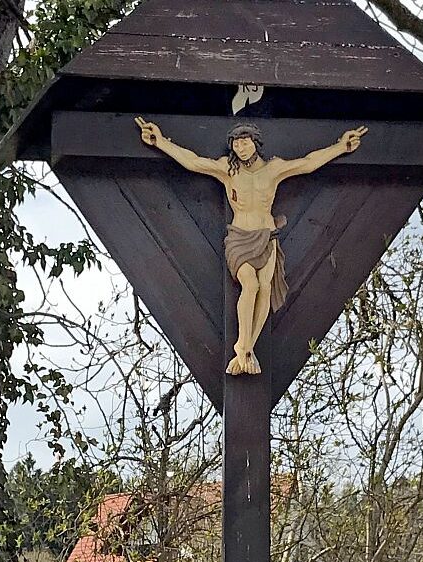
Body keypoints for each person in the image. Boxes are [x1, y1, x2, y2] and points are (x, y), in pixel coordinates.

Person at [135, 117, 368, 375]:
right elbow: (193, 162)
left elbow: (308, 163)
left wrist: (341, 147)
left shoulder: (274, 169)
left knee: (265, 290)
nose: (240, 148)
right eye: (235, 144)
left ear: (255, 143)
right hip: (240, 237)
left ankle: (247, 350)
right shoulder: (228, 170)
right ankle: (241, 346)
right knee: (250, 283)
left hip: (267, 235)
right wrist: (161, 142)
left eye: (244, 142)